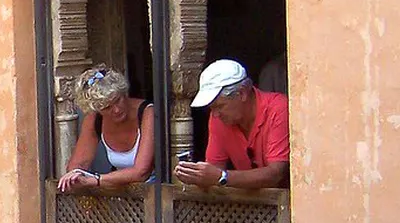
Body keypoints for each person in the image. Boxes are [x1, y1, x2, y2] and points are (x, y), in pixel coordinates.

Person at [175, 59, 290, 190]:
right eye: (212, 108)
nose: (215, 114)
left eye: (220, 106)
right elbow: (214, 169)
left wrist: (222, 177)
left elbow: (276, 174)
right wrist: (196, 175)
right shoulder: (218, 119)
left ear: (242, 93)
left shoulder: (278, 108)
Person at [57, 66, 155, 192]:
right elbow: (77, 164)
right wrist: (76, 175)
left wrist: (97, 180)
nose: (116, 110)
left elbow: (141, 172)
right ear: (97, 110)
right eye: (107, 107)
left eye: (117, 100)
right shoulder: (94, 118)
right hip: (120, 193)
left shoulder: (147, 112)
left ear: (123, 93)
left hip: (152, 191)